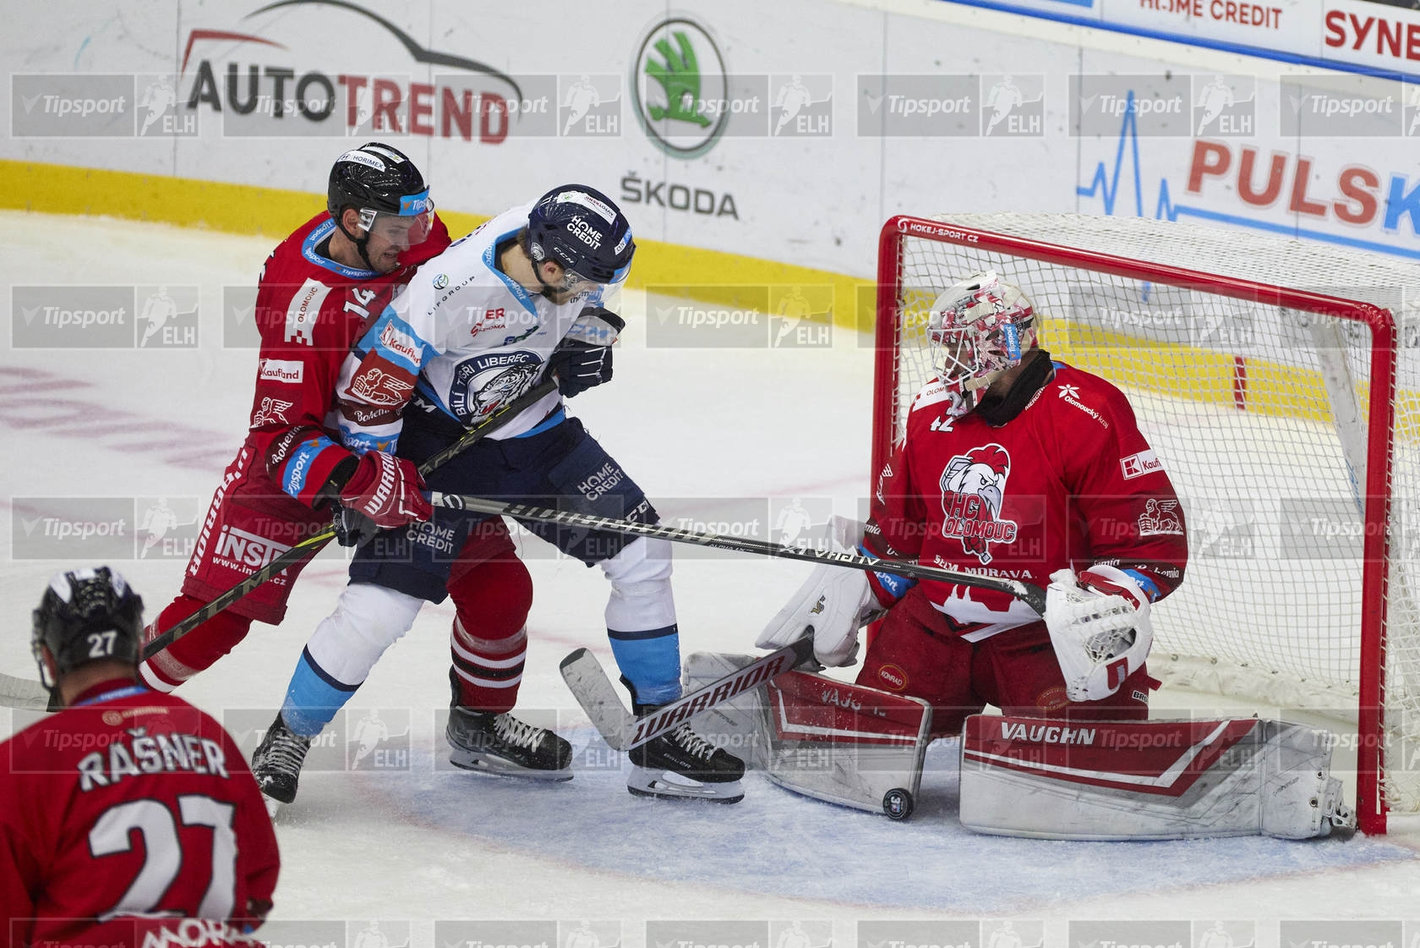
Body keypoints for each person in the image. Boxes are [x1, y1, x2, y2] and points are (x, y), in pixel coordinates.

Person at [252, 185, 745, 806]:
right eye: (585, 285)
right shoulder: (447, 292)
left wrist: (580, 350)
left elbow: (571, 323)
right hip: (437, 451)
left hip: (537, 434)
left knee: (643, 554)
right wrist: (371, 480)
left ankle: (657, 736)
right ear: (547, 263)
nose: (594, 297)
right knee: (381, 607)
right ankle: (287, 736)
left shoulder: (557, 256)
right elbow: (369, 386)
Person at [760, 271, 1189, 734]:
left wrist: (1104, 602)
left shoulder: (1086, 411)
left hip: (1042, 630)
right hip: (937, 622)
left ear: (1004, 345)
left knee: (1093, 754)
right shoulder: (930, 409)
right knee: (868, 741)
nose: (949, 361)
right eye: (946, 346)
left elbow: (1150, 544)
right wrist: (859, 585)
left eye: (961, 346)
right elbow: (899, 531)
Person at [138, 141, 463, 692]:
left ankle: (480, 720)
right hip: (309, 461)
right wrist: (353, 482)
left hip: (411, 445)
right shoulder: (304, 309)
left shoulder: (409, 232)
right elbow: (280, 436)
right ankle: (104, 707)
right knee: (214, 619)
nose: (415, 241)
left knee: (493, 583)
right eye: (397, 230)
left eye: (419, 219)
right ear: (354, 222)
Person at [0, 567, 280, 945]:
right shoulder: (207, 734)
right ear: (136, 646)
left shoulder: (22, 763)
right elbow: (257, 883)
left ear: (48, 660)